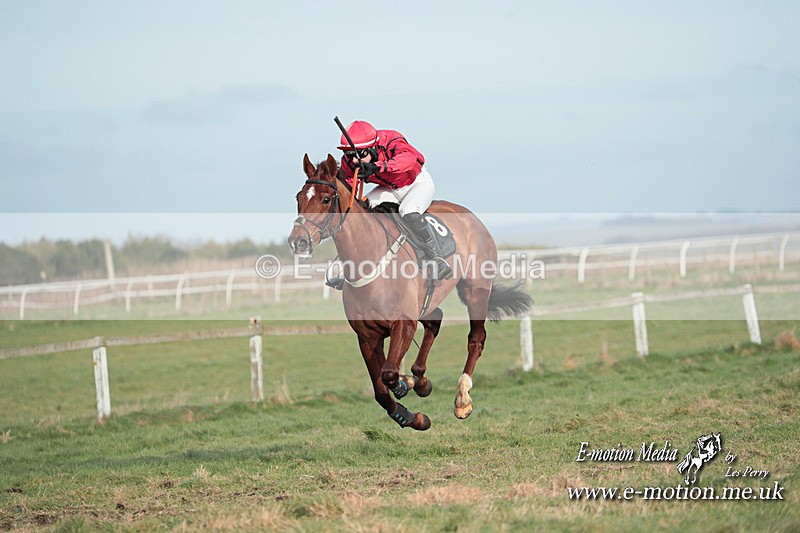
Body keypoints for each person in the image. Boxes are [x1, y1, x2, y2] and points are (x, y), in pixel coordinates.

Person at [336, 119, 452, 281]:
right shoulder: (350, 162)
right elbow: (350, 188)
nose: (354, 160)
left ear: (373, 147)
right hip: (388, 189)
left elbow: (410, 159)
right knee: (363, 215)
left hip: (416, 183)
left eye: (360, 155)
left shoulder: (392, 140)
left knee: (408, 211)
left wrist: (379, 166)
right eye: (349, 155)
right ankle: (348, 266)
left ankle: (437, 258)